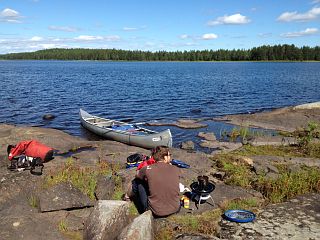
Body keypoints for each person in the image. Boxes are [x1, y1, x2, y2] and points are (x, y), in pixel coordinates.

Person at [131, 146, 181, 217]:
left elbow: (137, 175)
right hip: (176, 208)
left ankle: (129, 197)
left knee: (138, 182)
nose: (170, 157)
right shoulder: (176, 169)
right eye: (169, 155)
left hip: (155, 212)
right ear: (165, 157)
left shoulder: (147, 169)